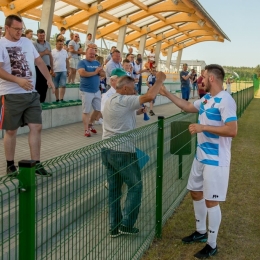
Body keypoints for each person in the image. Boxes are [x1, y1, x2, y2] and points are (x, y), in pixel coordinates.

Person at [159, 64, 237, 259]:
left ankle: (212, 244)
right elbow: (186, 106)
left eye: (202, 77)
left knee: (211, 200)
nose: (199, 80)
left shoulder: (226, 100)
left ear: (211, 78)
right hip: (200, 157)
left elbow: (232, 130)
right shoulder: (206, 99)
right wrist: (166, 93)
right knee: (195, 192)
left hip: (216, 160)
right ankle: (201, 232)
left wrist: (203, 127)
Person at [102, 72, 166, 237]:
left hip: (107, 150)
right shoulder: (125, 100)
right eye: (133, 89)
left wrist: (136, 112)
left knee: (114, 190)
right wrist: (160, 80)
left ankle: (114, 227)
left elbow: (122, 114)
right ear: (124, 88)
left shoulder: (111, 100)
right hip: (123, 152)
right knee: (135, 186)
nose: (135, 92)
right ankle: (127, 224)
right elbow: (151, 95)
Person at [0, 15, 55, 176]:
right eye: (16, 29)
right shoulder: (1, 44)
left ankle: (36, 164)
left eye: (21, 29)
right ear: (7, 28)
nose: (19, 32)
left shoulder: (27, 42)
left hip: (31, 93)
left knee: (36, 126)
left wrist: (49, 78)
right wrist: (17, 80)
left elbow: (39, 62)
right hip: (11, 94)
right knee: (11, 130)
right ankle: (10, 165)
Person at [77, 46, 105, 137]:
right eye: (90, 54)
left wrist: (101, 72)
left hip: (96, 90)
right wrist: (95, 72)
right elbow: (82, 73)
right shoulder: (82, 62)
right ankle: (86, 130)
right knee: (86, 111)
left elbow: (103, 73)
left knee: (98, 109)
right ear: (86, 54)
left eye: (94, 54)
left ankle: (90, 124)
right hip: (86, 90)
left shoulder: (97, 62)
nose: (92, 55)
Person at [33, 29, 53, 103]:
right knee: (38, 85)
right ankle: (36, 102)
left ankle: (42, 101)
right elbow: (35, 56)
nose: (42, 37)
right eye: (40, 35)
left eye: (43, 35)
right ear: (37, 35)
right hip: (37, 67)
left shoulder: (48, 44)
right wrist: (45, 52)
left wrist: (52, 67)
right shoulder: (34, 44)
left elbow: (50, 55)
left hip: (47, 66)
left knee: (45, 85)